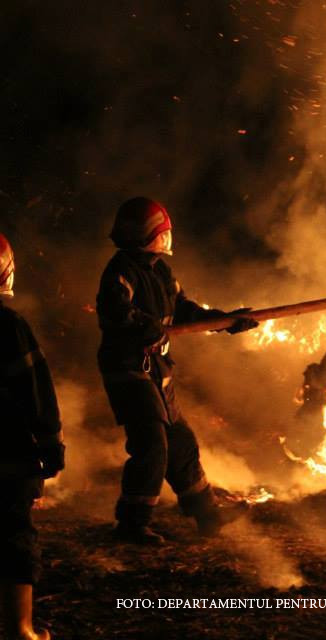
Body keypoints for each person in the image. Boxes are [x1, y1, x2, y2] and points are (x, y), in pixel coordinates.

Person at [96, 197, 257, 545]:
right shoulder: (120, 271)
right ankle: (131, 524)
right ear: (147, 235)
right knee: (152, 444)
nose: (165, 238)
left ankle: (207, 515)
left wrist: (224, 320)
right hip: (128, 369)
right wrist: (146, 326)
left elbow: (183, 310)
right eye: (160, 232)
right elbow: (115, 312)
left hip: (158, 368)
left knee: (181, 441)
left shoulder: (161, 271)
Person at [0, 233, 63, 640]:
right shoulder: (8, 325)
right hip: (8, 457)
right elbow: (35, 392)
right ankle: (19, 630)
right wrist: (50, 443)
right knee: (13, 537)